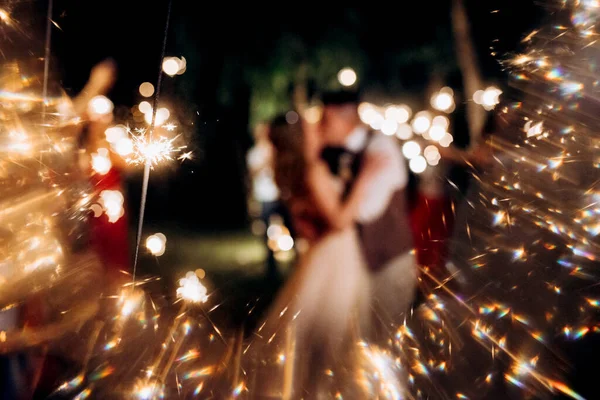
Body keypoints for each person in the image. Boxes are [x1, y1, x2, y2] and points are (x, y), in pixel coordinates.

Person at [247, 113, 386, 398]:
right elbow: (339, 220)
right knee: (332, 330)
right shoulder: (313, 169)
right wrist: (366, 178)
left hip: (322, 253)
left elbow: (306, 228)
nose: (320, 129)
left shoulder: (289, 170)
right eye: (314, 127)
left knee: (318, 329)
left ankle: (311, 388)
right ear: (302, 139)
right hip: (337, 253)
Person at [319, 90, 417, 340]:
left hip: (389, 262)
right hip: (361, 266)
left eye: (325, 120)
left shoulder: (379, 147)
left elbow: (366, 211)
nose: (321, 126)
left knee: (384, 341)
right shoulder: (341, 154)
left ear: (344, 117)